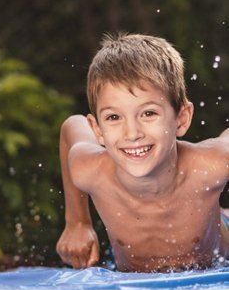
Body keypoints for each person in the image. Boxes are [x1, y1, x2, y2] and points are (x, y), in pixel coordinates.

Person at [56, 33, 228, 272]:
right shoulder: (90, 170)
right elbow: (71, 127)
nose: (132, 133)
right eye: (113, 117)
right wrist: (77, 222)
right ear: (97, 129)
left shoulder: (209, 167)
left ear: (181, 118)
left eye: (148, 113)